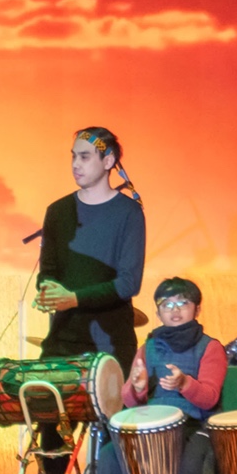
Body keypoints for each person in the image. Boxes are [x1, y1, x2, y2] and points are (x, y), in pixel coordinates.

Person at [96, 277, 225, 474]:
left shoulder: (210, 347)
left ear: (197, 308)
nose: (175, 310)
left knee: (193, 458)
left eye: (182, 303)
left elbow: (210, 398)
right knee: (108, 454)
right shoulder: (148, 347)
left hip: (193, 425)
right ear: (158, 312)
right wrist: (138, 387)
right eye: (167, 304)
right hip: (150, 427)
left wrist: (184, 384)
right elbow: (130, 399)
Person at [35, 127, 146, 377]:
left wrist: (73, 298)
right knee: (45, 408)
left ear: (108, 161)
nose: (76, 164)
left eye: (85, 157)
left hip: (111, 342)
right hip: (63, 339)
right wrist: (47, 290)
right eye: (73, 156)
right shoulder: (57, 211)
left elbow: (129, 283)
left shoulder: (129, 213)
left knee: (112, 415)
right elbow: (49, 271)